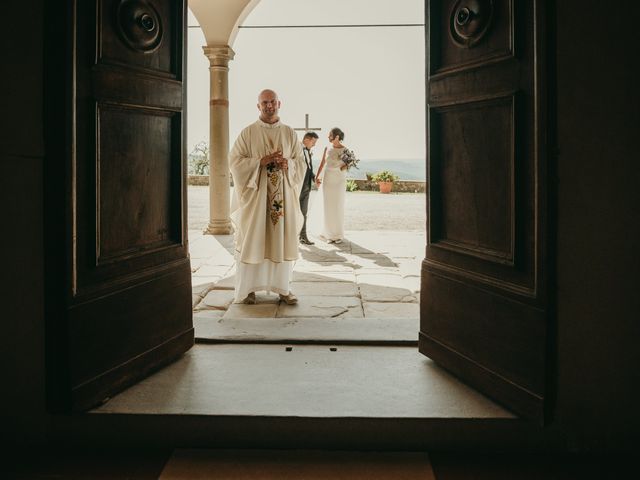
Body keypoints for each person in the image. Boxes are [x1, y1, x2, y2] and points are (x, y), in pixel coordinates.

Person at [229, 89, 306, 305]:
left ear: (279, 103)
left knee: (280, 240)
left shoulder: (290, 133)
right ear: (258, 106)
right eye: (265, 102)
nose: (269, 106)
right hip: (255, 200)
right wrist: (259, 162)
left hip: (282, 201)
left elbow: (302, 163)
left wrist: (287, 164)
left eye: (272, 102)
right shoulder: (248, 133)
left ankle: (283, 288)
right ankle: (248, 289)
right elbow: (234, 160)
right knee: (253, 240)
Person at [315, 127, 347, 244]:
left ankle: (337, 235)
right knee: (327, 206)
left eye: (330, 135)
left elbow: (346, 166)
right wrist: (317, 176)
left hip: (339, 181)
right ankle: (328, 234)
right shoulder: (327, 148)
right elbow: (323, 163)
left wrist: (343, 166)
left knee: (337, 205)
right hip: (328, 180)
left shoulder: (345, 150)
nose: (328, 137)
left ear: (337, 137)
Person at [298, 131, 319, 245]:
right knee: (293, 213)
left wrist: (313, 176)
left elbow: (308, 168)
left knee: (304, 212)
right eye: (313, 142)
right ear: (307, 139)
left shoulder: (308, 151)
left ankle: (303, 236)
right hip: (297, 187)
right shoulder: (297, 149)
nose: (314, 145)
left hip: (306, 187)